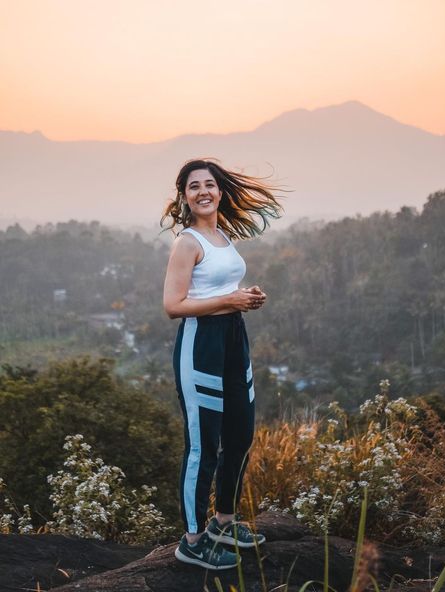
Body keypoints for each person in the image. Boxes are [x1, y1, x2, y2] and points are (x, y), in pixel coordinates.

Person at [161, 158, 282, 570]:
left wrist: (245, 296)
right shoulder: (187, 242)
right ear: (185, 197)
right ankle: (192, 541)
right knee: (203, 446)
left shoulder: (223, 236)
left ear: (220, 190)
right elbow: (173, 306)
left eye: (209, 184)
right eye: (193, 187)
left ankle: (223, 523)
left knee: (241, 434)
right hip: (201, 347)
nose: (203, 192)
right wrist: (229, 301)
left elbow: (221, 287)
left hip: (234, 341)